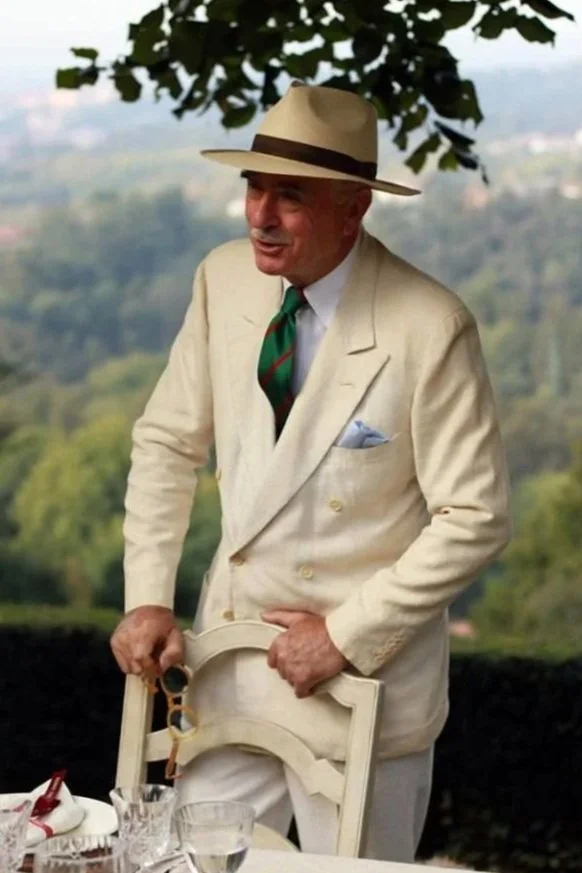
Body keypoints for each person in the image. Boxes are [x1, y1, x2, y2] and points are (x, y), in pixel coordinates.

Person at [110, 83, 511, 861]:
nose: (259, 214)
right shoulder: (223, 280)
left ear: (355, 204)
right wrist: (148, 594)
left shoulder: (431, 325)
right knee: (184, 866)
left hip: (361, 692)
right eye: (254, 186)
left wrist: (344, 635)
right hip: (226, 672)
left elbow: (477, 517)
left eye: (289, 195)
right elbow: (165, 441)